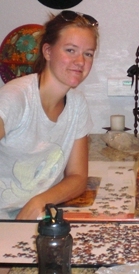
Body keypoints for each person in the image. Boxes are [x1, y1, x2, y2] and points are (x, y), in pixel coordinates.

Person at [0, 10, 99, 219]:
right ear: (47, 51)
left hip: (40, 216)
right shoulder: (15, 97)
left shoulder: (77, 104)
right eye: (70, 50)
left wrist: (40, 201)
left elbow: (78, 177)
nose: (80, 61)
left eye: (88, 53)